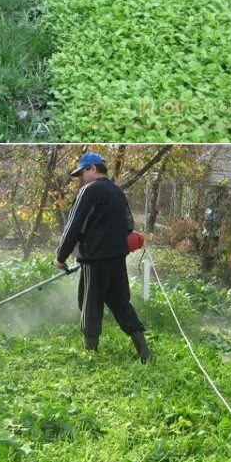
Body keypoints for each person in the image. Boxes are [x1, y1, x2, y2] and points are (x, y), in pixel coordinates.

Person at [54, 152, 151, 363]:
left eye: (82, 173)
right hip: (117, 259)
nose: (81, 178)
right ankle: (143, 350)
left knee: (90, 304)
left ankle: (90, 353)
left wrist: (60, 258)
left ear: (92, 169)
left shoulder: (88, 191)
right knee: (121, 303)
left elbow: (73, 227)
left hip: (95, 261)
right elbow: (128, 225)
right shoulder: (117, 191)